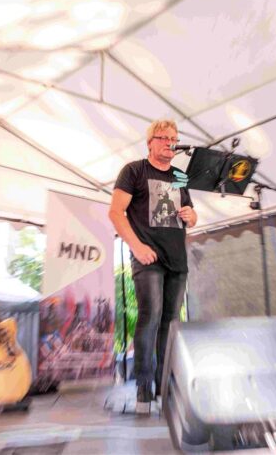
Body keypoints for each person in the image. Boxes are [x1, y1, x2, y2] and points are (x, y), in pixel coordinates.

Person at [108, 119, 198, 414]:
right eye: (164, 137)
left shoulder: (180, 177)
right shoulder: (134, 171)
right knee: (150, 318)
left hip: (177, 260)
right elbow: (116, 212)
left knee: (171, 324)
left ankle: (164, 388)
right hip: (147, 258)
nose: (171, 143)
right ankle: (144, 390)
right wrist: (136, 247)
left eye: (174, 138)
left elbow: (192, 214)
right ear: (150, 142)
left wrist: (191, 215)